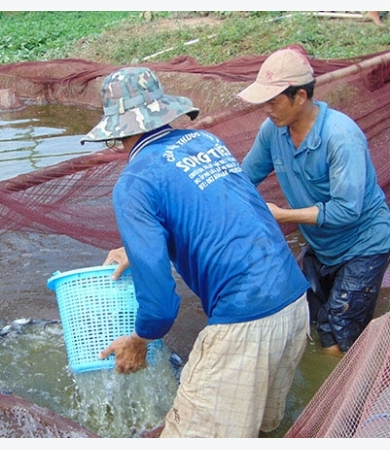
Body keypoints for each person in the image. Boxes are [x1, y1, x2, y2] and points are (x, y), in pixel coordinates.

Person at [80, 67, 311, 438]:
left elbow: (159, 307)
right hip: (293, 302)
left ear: (117, 132)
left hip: (245, 321)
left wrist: (138, 341)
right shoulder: (206, 143)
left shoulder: (134, 181)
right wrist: (139, 250)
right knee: (262, 431)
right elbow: (218, 213)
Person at [237, 47, 390, 357]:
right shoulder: (273, 132)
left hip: (364, 244)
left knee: (340, 333)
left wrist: (283, 215)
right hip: (322, 246)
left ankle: (343, 399)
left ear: (300, 97)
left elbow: (348, 210)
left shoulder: (340, 137)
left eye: (273, 100)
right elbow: (244, 179)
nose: (266, 109)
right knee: (313, 320)